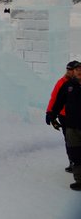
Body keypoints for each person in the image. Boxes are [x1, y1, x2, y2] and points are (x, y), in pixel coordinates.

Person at [48, 60, 81, 191]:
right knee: (75, 153)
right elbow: (57, 101)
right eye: (77, 70)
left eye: (80, 70)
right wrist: (51, 115)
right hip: (71, 125)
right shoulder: (67, 86)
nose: (78, 72)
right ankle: (79, 180)